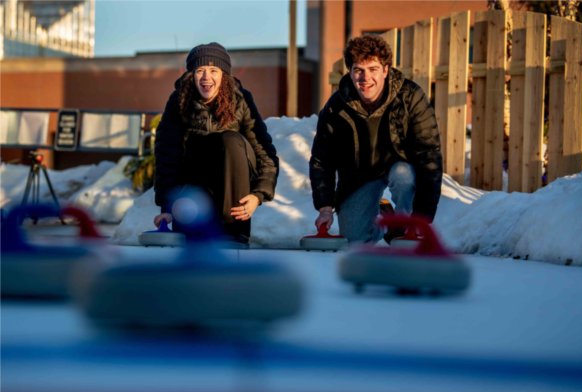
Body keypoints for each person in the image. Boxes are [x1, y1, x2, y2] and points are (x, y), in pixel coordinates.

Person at [309, 34, 443, 243]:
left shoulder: (411, 98)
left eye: (373, 69)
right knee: (355, 239)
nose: (365, 78)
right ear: (350, 72)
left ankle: (404, 224)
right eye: (358, 70)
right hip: (358, 176)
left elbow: (429, 156)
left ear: (386, 70)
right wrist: (325, 207)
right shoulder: (337, 107)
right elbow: (322, 159)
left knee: (403, 174)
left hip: (399, 168)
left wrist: (422, 218)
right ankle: (384, 219)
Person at [153, 42, 279, 245]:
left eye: (213, 70)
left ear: (224, 75)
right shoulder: (179, 102)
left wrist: (257, 195)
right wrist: (168, 208)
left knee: (230, 140)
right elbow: (167, 156)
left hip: (231, 188)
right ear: (191, 75)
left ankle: (233, 231)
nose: (206, 78)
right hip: (195, 187)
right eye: (200, 70)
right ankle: (195, 223)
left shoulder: (241, 100)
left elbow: (265, 153)